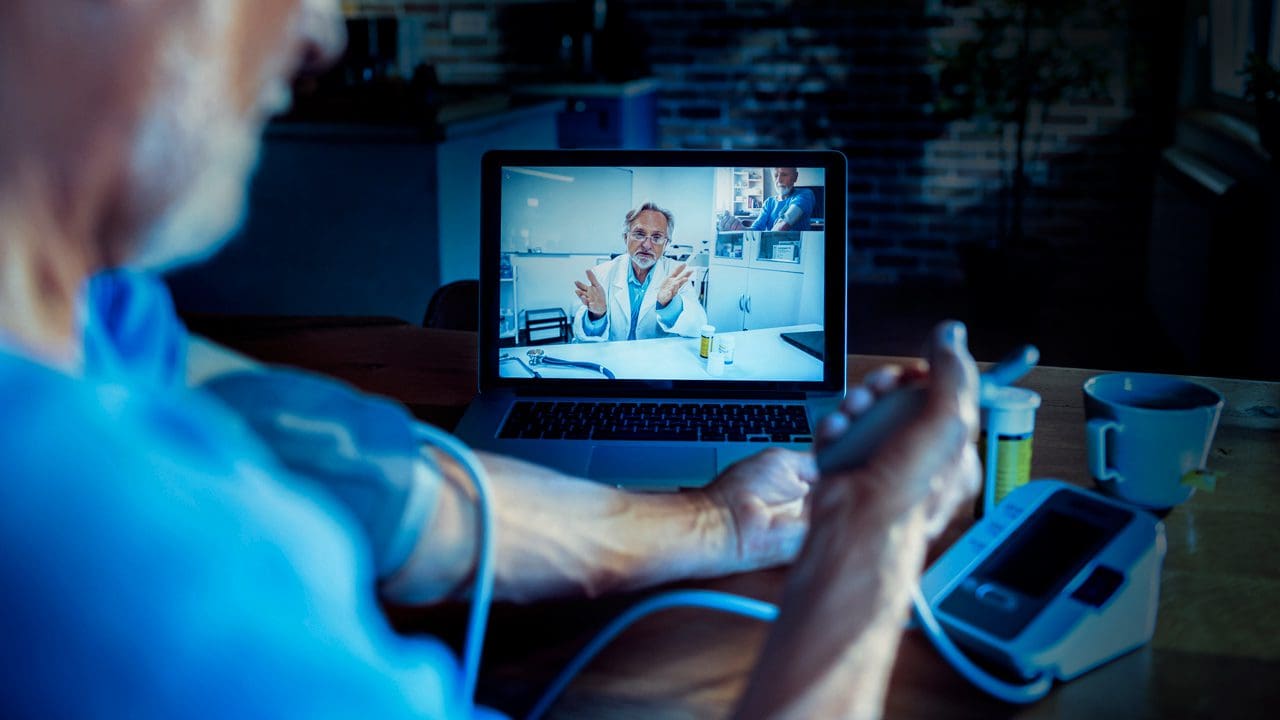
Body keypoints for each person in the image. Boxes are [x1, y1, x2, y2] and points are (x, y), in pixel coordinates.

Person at [0, 2, 980, 718]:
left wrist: (717, 523)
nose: (321, 32)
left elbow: (377, 480)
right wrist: (867, 542)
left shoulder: (100, 321)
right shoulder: (117, 557)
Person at [572, 201, 708, 342]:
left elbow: (698, 326)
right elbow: (581, 337)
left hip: (657, 360)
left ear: (666, 244)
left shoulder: (677, 276)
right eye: (639, 234)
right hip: (613, 357)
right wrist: (597, 316)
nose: (647, 245)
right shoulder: (601, 274)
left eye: (657, 238)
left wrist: (670, 306)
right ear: (626, 238)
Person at [719, 167, 817, 232]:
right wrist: (740, 229)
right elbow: (756, 230)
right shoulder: (768, 203)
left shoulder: (805, 194)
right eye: (775, 175)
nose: (779, 180)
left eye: (784, 175)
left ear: (795, 177)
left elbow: (783, 225)